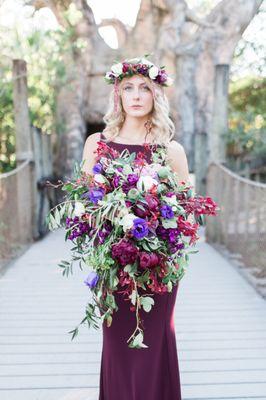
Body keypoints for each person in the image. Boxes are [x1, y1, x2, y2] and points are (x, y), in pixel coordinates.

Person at [82, 56, 189, 400]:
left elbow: (186, 213)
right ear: (118, 95)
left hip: (158, 266)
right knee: (117, 345)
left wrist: (158, 232)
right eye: (128, 88)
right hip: (112, 264)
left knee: (154, 344)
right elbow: (86, 206)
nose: (137, 95)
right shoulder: (98, 144)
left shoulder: (170, 150)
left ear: (157, 94)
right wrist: (111, 218)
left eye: (145, 88)